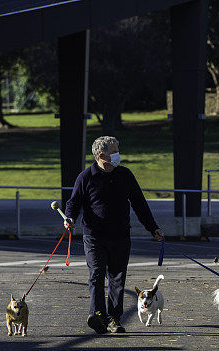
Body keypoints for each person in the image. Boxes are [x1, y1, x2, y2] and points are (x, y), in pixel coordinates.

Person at [65, 136, 164, 334]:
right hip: (94, 236)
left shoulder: (125, 175)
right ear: (102, 155)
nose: (119, 154)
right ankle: (97, 314)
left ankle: (114, 319)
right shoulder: (85, 177)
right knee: (96, 275)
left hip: (120, 236)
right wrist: (69, 218)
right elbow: (73, 203)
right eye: (115, 151)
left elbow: (139, 204)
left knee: (117, 278)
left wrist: (153, 228)